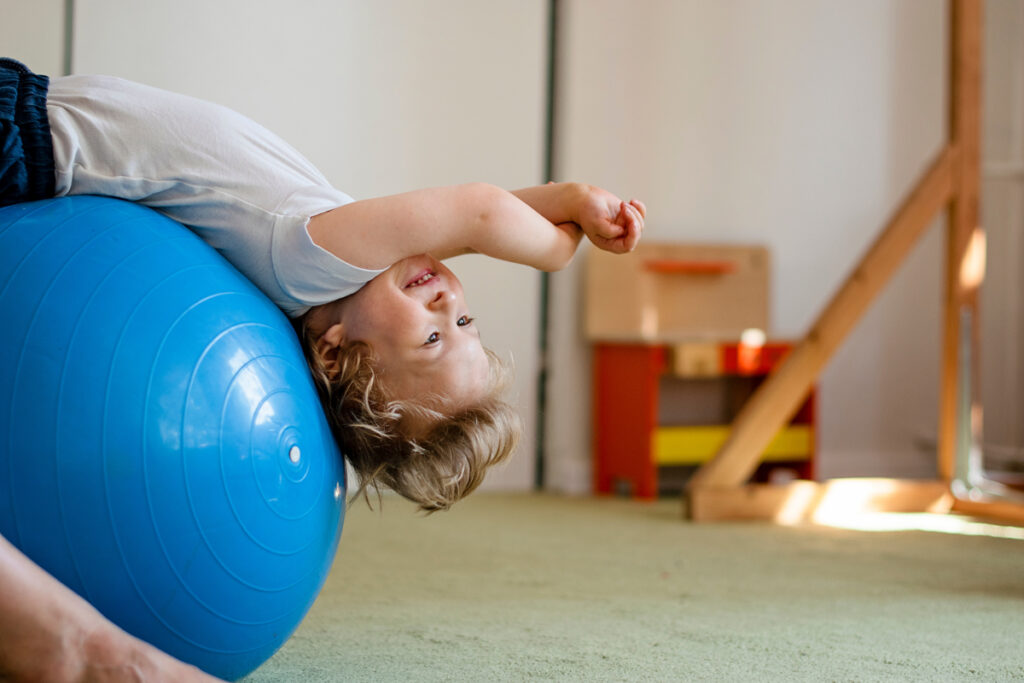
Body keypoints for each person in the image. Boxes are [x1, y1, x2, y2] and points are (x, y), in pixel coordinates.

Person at [1, 57, 645, 681]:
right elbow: (482, 217)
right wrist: (558, 212)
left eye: (430, 338)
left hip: (20, 137)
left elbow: (478, 211)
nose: (450, 303)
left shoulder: (313, 260)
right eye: (465, 326)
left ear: (335, 353)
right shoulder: (337, 270)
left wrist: (563, 236)